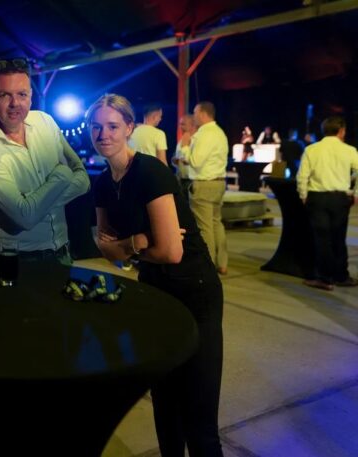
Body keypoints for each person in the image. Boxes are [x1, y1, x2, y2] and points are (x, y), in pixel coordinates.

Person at [88, 93, 224, 457]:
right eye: (96, 127)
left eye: (112, 126)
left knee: (198, 417)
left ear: (129, 128)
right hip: (154, 289)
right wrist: (140, 240)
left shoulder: (149, 171)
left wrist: (130, 246)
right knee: (165, 407)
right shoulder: (102, 183)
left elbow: (171, 252)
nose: (103, 134)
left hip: (194, 290)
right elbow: (107, 250)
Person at [0, 57, 89, 263]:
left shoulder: (44, 121)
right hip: (18, 258)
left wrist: (34, 206)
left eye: (22, 94)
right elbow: (24, 218)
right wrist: (62, 175)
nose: (15, 103)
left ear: (30, 96)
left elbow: (84, 180)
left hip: (63, 248)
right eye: (4, 95)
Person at [296, 116, 358, 290]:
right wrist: (356, 193)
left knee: (322, 239)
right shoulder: (349, 150)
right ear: (341, 131)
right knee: (339, 238)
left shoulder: (311, 149)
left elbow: (302, 175)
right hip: (340, 198)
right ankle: (341, 276)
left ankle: (324, 278)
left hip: (317, 198)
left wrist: (303, 194)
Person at [182, 101, 229, 275]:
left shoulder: (204, 134)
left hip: (204, 184)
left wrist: (185, 147)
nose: (193, 116)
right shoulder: (220, 133)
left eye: (195, 113)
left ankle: (207, 265)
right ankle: (222, 262)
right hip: (219, 183)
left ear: (202, 113)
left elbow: (196, 161)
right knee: (217, 223)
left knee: (205, 227)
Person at [172, 114, 196, 197]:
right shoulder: (181, 141)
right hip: (181, 179)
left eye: (183, 124)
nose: (180, 127)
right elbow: (177, 157)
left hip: (192, 180)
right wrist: (175, 160)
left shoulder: (197, 141)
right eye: (180, 124)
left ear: (192, 125)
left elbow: (195, 160)